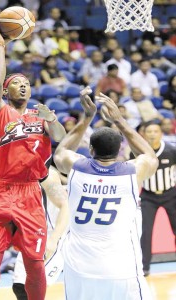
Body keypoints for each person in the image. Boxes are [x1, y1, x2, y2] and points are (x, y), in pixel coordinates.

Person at [0, 17, 66, 300]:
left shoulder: (39, 115)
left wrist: (51, 119)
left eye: (27, 83)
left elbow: (60, 137)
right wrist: (1, 45)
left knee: (35, 262)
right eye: (17, 83)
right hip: (0, 189)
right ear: (6, 91)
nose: (24, 86)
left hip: (30, 191)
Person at [53, 86, 158, 300]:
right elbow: (149, 155)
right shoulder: (132, 172)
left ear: (90, 149)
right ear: (121, 148)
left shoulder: (76, 167)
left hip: (78, 266)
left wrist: (87, 118)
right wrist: (119, 120)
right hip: (121, 267)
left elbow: (61, 151)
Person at [12, 165, 69, 300]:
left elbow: (66, 206)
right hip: (31, 235)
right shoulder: (15, 173)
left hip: (52, 235)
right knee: (19, 287)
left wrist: (54, 240)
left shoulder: (47, 174)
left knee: (34, 287)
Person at [140, 121, 176, 276]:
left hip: (171, 194)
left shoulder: (171, 150)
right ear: (144, 134)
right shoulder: (139, 152)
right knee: (146, 232)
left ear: (161, 133)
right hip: (148, 196)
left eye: (156, 131)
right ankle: (144, 267)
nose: (153, 134)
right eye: (149, 131)